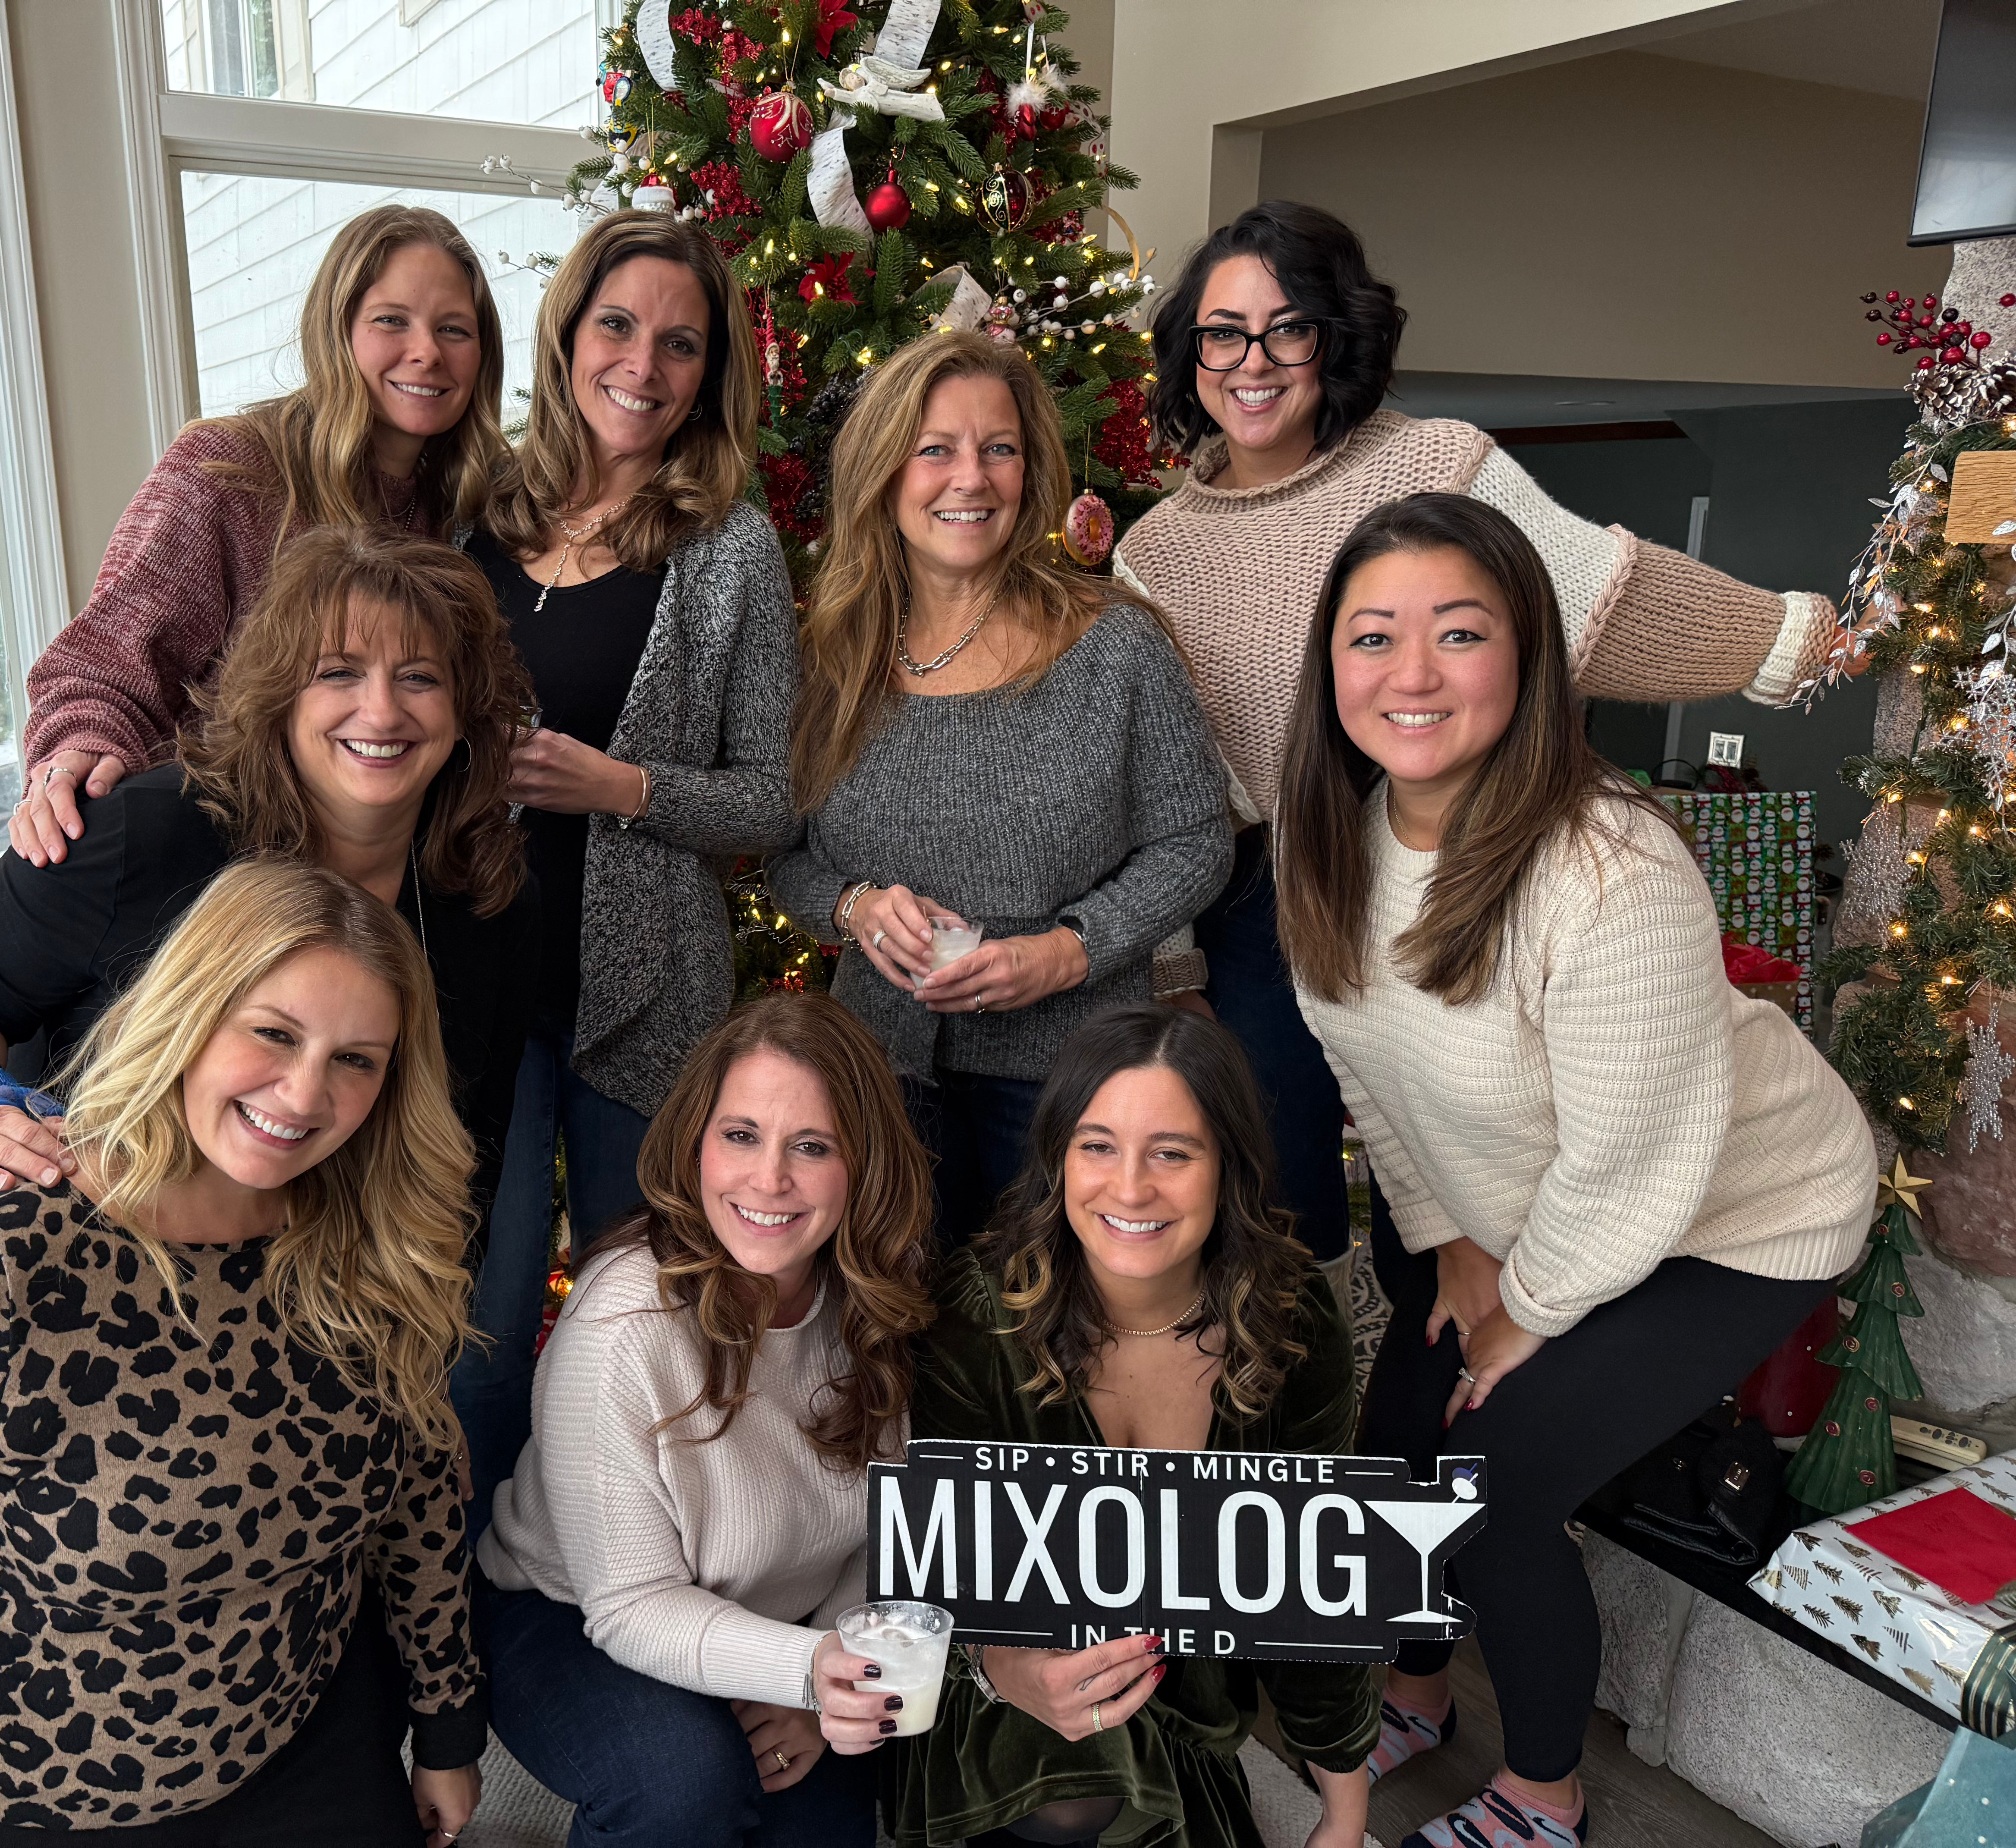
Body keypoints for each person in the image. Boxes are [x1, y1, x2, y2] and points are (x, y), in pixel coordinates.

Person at [1273, 493, 1871, 1848]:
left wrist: (1524, 1311)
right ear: (1329, 668)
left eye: (1459, 633)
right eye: (1373, 637)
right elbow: (1364, 1066)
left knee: (1489, 1492)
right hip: (1556, 1212)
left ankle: (1545, 1794)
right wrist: (1450, 1238)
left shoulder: (1608, 868)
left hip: (1738, 1212)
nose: (1410, 674)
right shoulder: (1330, 846)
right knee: (1394, 1453)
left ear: (1530, 659)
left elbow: (1636, 1167)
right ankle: (1415, 1687)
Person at [1112, 200, 1846, 1273]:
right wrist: (1176, 963)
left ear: (1336, 338)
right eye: (1223, 334)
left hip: (1461, 869)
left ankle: (1512, 1322)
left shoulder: (1439, 468)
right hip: (1269, 900)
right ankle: (1311, 1383)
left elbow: (1604, 597)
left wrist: (1786, 641)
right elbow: (1170, 787)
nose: (1253, 362)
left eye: (1289, 328)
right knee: (1276, 1193)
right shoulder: (1153, 554)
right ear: (1191, 355)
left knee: (1482, 1173)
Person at [0, 858, 488, 1848]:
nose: (306, 1092)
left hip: (296, 1751)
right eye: (273, 1033)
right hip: (20, 1796)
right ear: (189, 1015)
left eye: (356, 1059)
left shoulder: (375, 1248)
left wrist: (447, 1729)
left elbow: (422, 1505)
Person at [0, 528, 535, 1272]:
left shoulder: (483, 903)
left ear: (464, 711)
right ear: (281, 693)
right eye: (340, 673)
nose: (381, 713)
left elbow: (456, 1166)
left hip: (325, 1314)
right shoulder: (140, 838)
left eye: (420, 678)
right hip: (76, 1277)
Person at [811, 1002, 1374, 1848]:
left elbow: (1320, 1592)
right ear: (1058, 1159)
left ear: (1228, 1166)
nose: (1132, 1187)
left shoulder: (1291, 1326)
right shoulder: (980, 1321)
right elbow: (933, 1585)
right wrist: (1011, 1671)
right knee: (1070, 1803)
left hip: (1178, 1708)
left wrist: (1344, 1809)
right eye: (1098, 1146)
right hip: (996, 1695)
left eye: (1173, 1154)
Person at [451, 210, 801, 1520]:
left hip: (645, 1002)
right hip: (469, 985)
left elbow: (773, 798)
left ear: (712, 373)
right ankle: (468, 1602)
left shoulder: (731, 549)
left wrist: (627, 788)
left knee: (636, 1316)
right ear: (567, 332)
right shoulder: (477, 509)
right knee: (475, 1322)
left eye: (680, 345)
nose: (642, 368)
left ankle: (629, 1575)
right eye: (618, 326)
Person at [768, 331, 1232, 1245]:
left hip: (1077, 1085)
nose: (970, 479)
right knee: (902, 1337)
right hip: (883, 1078)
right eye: (934, 449)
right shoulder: (832, 657)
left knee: (1051, 1344)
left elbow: (1196, 841)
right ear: (884, 469)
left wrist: (1070, 951)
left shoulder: (1115, 646)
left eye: (1000, 449)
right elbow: (786, 855)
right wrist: (854, 906)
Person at [474, 993, 935, 1848]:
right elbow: (632, 1605)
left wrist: (813, 1684)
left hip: (786, 1620)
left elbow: (881, 1538)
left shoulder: (873, 1303)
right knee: (687, 1781)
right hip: (566, 1612)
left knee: (824, 1806)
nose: (769, 1180)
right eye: (741, 1135)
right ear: (696, 1143)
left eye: (812, 1146)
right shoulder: (623, 1327)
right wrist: (807, 1671)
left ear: (861, 1167)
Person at [12, 204, 506, 865]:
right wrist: (76, 752)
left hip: (397, 880)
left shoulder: (478, 508)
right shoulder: (229, 471)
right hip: (228, 881)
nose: (427, 352)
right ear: (337, 330)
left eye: (455, 329)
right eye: (392, 321)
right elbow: (105, 664)